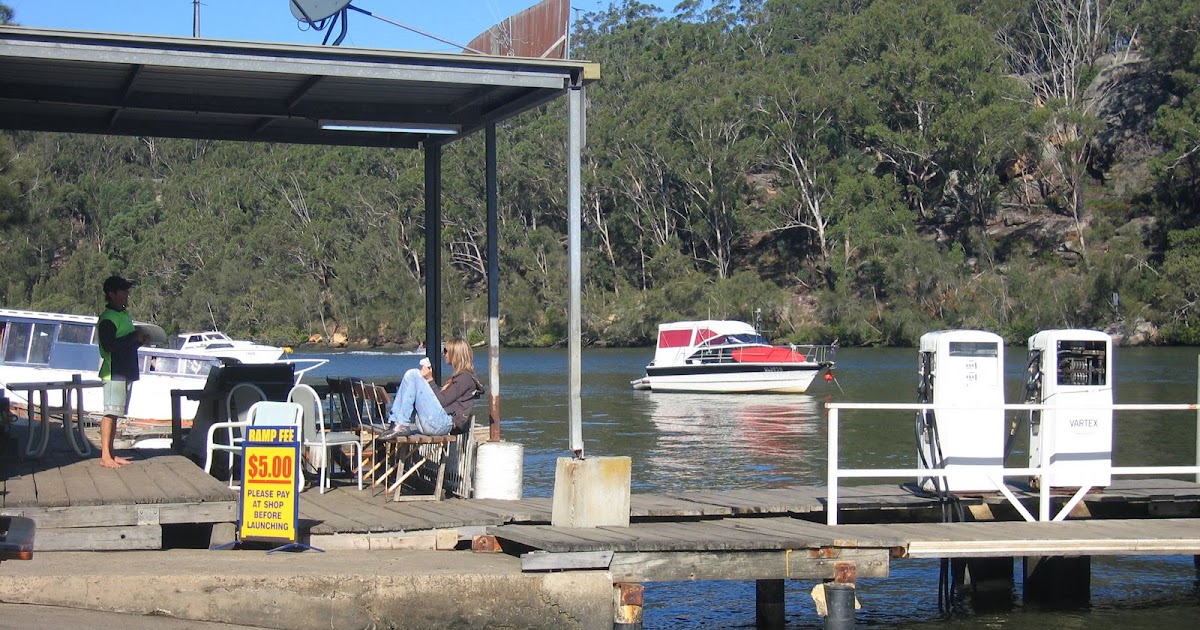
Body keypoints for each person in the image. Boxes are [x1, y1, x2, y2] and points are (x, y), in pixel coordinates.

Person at [379, 337, 481, 438]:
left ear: (456, 354)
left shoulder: (465, 378)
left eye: (445, 351)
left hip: (443, 424)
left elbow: (442, 401)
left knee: (413, 374)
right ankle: (395, 422)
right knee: (411, 375)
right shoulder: (460, 377)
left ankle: (400, 423)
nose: (443, 354)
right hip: (434, 422)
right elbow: (442, 399)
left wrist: (429, 380)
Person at [97, 275, 149, 468]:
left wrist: (139, 341)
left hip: (126, 370)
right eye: (123, 291)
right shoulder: (108, 318)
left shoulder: (123, 315)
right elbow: (109, 346)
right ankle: (105, 456)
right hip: (114, 371)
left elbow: (126, 344)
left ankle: (111, 453)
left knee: (116, 413)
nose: (127, 295)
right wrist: (133, 337)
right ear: (112, 294)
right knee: (110, 413)